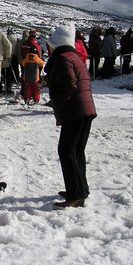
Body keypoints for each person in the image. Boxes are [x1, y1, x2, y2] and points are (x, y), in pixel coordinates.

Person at [44, 25, 97, 208]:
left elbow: (68, 83)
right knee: (76, 151)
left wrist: (60, 101)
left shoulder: (63, 58)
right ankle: (80, 189)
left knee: (67, 151)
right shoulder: (72, 56)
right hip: (83, 110)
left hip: (75, 111)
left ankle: (76, 195)